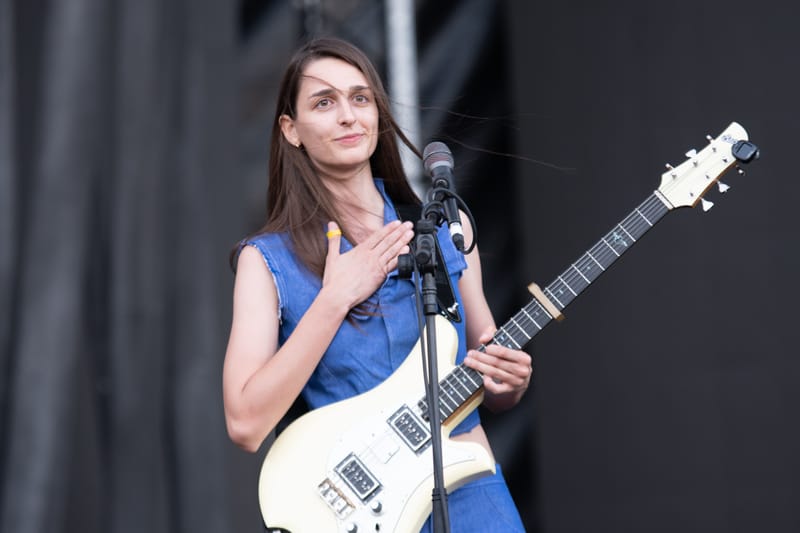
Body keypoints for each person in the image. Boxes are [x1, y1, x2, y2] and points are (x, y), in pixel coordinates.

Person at [222, 36, 532, 532]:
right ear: (291, 129)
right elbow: (245, 424)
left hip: (469, 493)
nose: (348, 115)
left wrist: (509, 382)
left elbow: (486, 371)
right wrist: (334, 299)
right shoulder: (267, 262)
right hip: (360, 511)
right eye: (324, 102)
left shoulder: (448, 231)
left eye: (360, 98)